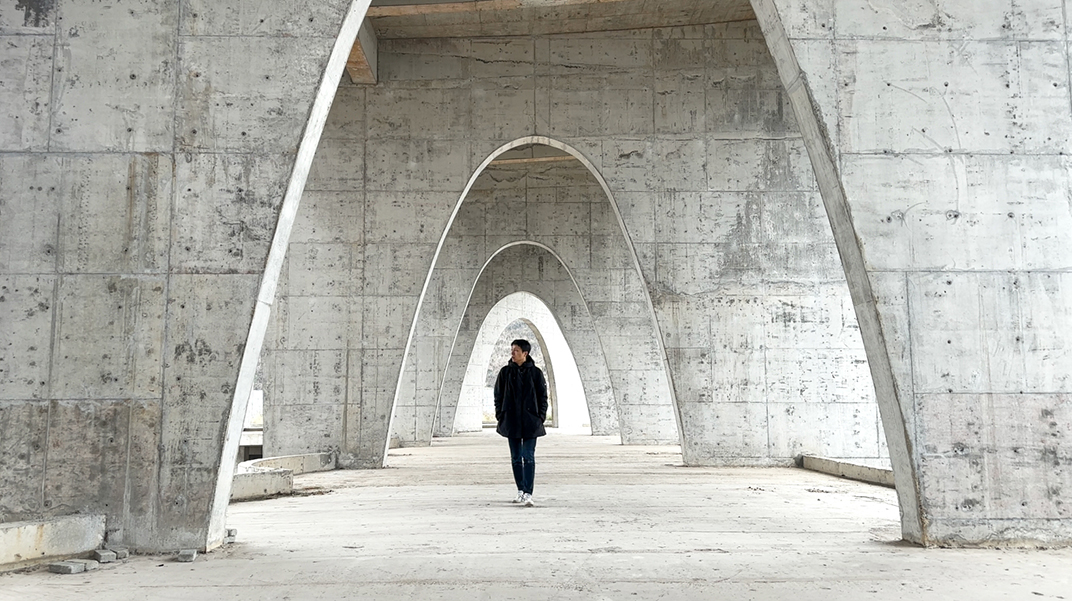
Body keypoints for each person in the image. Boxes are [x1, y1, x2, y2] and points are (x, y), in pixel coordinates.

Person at [493, 338, 548, 507]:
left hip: (531, 422)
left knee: (528, 457)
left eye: (516, 350)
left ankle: (528, 493)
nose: (512, 353)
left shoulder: (536, 373)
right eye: (512, 350)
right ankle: (520, 490)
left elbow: (543, 397)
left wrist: (540, 417)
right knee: (516, 458)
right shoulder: (505, 372)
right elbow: (498, 395)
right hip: (511, 421)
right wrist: (500, 415)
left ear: (525, 353)